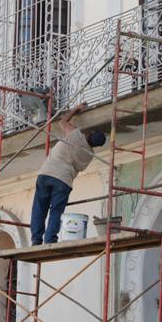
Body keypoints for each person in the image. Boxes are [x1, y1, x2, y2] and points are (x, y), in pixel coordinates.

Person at [30, 104, 106, 246]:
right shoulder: (89, 155)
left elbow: (62, 122)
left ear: (89, 134)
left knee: (39, 209)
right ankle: (50, 239)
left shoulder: (75, 134)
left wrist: (75, 109)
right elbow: (79, 168)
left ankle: (36, 240)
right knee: (56, 211)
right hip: (64, 180)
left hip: (46, 173)